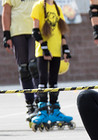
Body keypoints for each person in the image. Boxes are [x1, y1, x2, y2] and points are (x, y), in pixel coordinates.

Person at [30, 0, 74, 131]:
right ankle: (42, 110)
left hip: (55, 50)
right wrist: (44, 47)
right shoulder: (37, 6)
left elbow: (61, 31)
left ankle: (55, 109)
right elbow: (35, 31)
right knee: (43, 80)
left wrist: (65, 48)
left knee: (54, 81)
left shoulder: (57, 7)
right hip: (43, 51)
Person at [2, 0, 40, 122]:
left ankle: (40, 101)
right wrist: (6, 35)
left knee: (34, 66)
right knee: (23, 69)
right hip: (17, 31)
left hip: (35, 29)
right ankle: (30, 103)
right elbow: (6, 12)